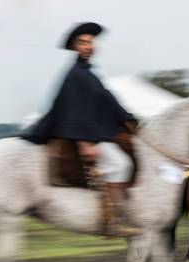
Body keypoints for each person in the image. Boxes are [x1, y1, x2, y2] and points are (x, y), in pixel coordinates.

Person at [23, 22, 141, 237]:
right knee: (119, 163)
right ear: (75, 47)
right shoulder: (75, 74)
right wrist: (85, 142)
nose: (88, 46)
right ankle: (113, 220)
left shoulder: (88, 73)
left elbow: (105, 102)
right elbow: (75, 110)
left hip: (94, 133)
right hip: (85, 136)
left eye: (91, 42)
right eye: (83, 42)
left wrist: (129, 120)